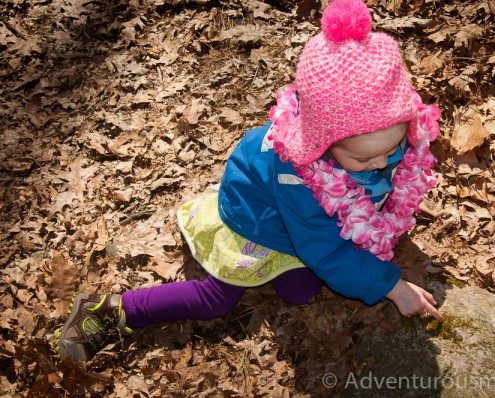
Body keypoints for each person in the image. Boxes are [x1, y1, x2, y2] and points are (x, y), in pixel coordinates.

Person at [55, 0, 443, 363]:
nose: (380, 163)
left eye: (391, 148)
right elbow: (325, 249)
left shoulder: (388, 134)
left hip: (303, 221)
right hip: (258, 220)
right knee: (217, 301)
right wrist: (391, 286)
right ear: (319, 144)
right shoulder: (298, 177)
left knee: (301, 292)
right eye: (363, 158)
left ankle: (296, 268)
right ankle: (111, 310)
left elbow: (380, 178)